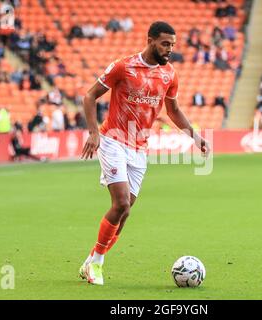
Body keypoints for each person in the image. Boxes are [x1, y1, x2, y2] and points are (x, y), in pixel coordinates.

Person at [79, 21, 210, 285]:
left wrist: (195, 136)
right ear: (150, 40)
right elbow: (90, 96)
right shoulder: (123, 66)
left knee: (125, 213)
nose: (169, 49)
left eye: (172, 45)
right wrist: (93, 133)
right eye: (165, 44)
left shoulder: (169, 75)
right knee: (121, 203)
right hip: (113, 139)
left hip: (139, 148)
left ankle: (92, 258)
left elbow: (173, 111)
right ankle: (97, 264)